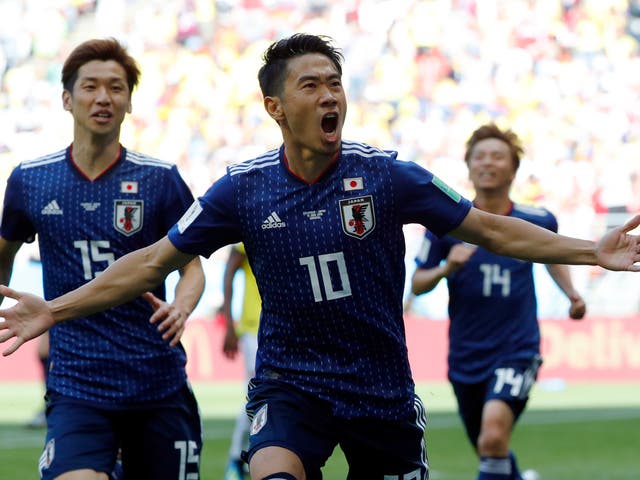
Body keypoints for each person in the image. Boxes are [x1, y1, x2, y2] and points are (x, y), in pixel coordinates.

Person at [0, 33, 639, 480]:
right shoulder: (240, 188)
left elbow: (491, 230)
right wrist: (53, 311)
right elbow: (151, 262)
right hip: (290, 384)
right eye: (312, 85)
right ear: (276, 107)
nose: (330, 96)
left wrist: (591, 250)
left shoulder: (390, 176)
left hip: (380, 389)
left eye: (335, 83)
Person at [0, 38, 205, 480]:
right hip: (77, 384)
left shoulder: (161, 179)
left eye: (116, 87)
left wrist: (183, 307)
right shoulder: (30, 181)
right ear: (67, 99)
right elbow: (4, 254)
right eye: (90, 86)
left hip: (156, 381)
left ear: (129, 101)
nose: (103, 97)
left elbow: (192, 266)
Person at [411, 123, 587, 480]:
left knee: (492, 437)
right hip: (465, 354)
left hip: (516, 348)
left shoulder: (537, 220)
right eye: (479, 156)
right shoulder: (446, 224)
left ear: (513, 167)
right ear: (469, 166)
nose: (487, 163)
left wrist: (572, 294)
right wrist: (447, 267)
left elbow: (551, 257)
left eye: (496, 156)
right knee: (489, 446)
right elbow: (417, 284)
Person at [221, 243, 261, 480]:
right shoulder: (252, 225)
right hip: (255, 329)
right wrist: (228, 324)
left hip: (285, 327)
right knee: (258, 392)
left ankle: (245, 457)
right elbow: (229, 271)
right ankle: (236, 459)